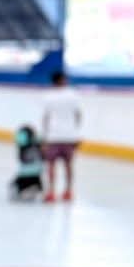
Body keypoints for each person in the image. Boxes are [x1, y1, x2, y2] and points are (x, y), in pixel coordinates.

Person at [39, 68, 83, 202]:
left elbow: (46, 118)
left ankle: (51, 192)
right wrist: (76, 133)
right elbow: (78, 115)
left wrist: (44, 137)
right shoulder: (73, 95)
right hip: (69, 136)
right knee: (69, 165)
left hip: (53, 136)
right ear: (64, 80)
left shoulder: (48, 97)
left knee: (51, 165)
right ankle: (68, 191)